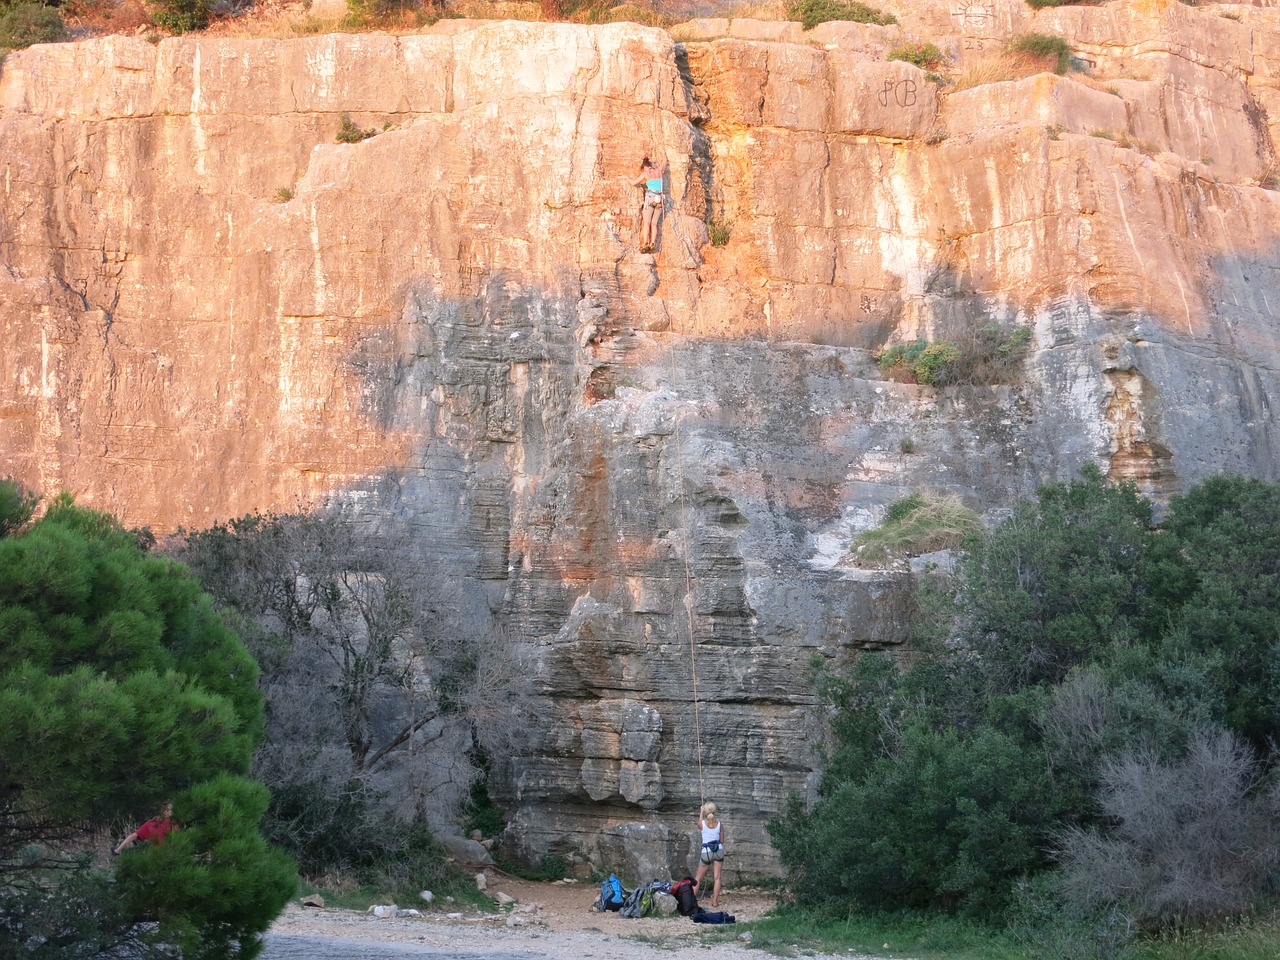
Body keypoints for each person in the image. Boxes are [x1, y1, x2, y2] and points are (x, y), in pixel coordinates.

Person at [631, 156, 667, 253]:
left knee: (647, 222)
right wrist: (663, 153)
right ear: (650, 166)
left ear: (644, 168)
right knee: (654, 224)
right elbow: (664, 161)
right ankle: (652, 243)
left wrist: (626, 178)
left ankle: (645, 242)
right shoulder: (659, 171)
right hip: (660, 200)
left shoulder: (646, 174)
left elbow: (634, 183)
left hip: (650, 198)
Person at [693, 801, 725, 908]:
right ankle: (715, 902)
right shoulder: (720, 824)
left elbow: (699, 823)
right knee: (717, 877)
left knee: (698, 879)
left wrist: (701, 812)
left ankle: (692, 901)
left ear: (706, 811)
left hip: (706, 851)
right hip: (718, 850)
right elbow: (722, 840)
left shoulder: (702, 824)